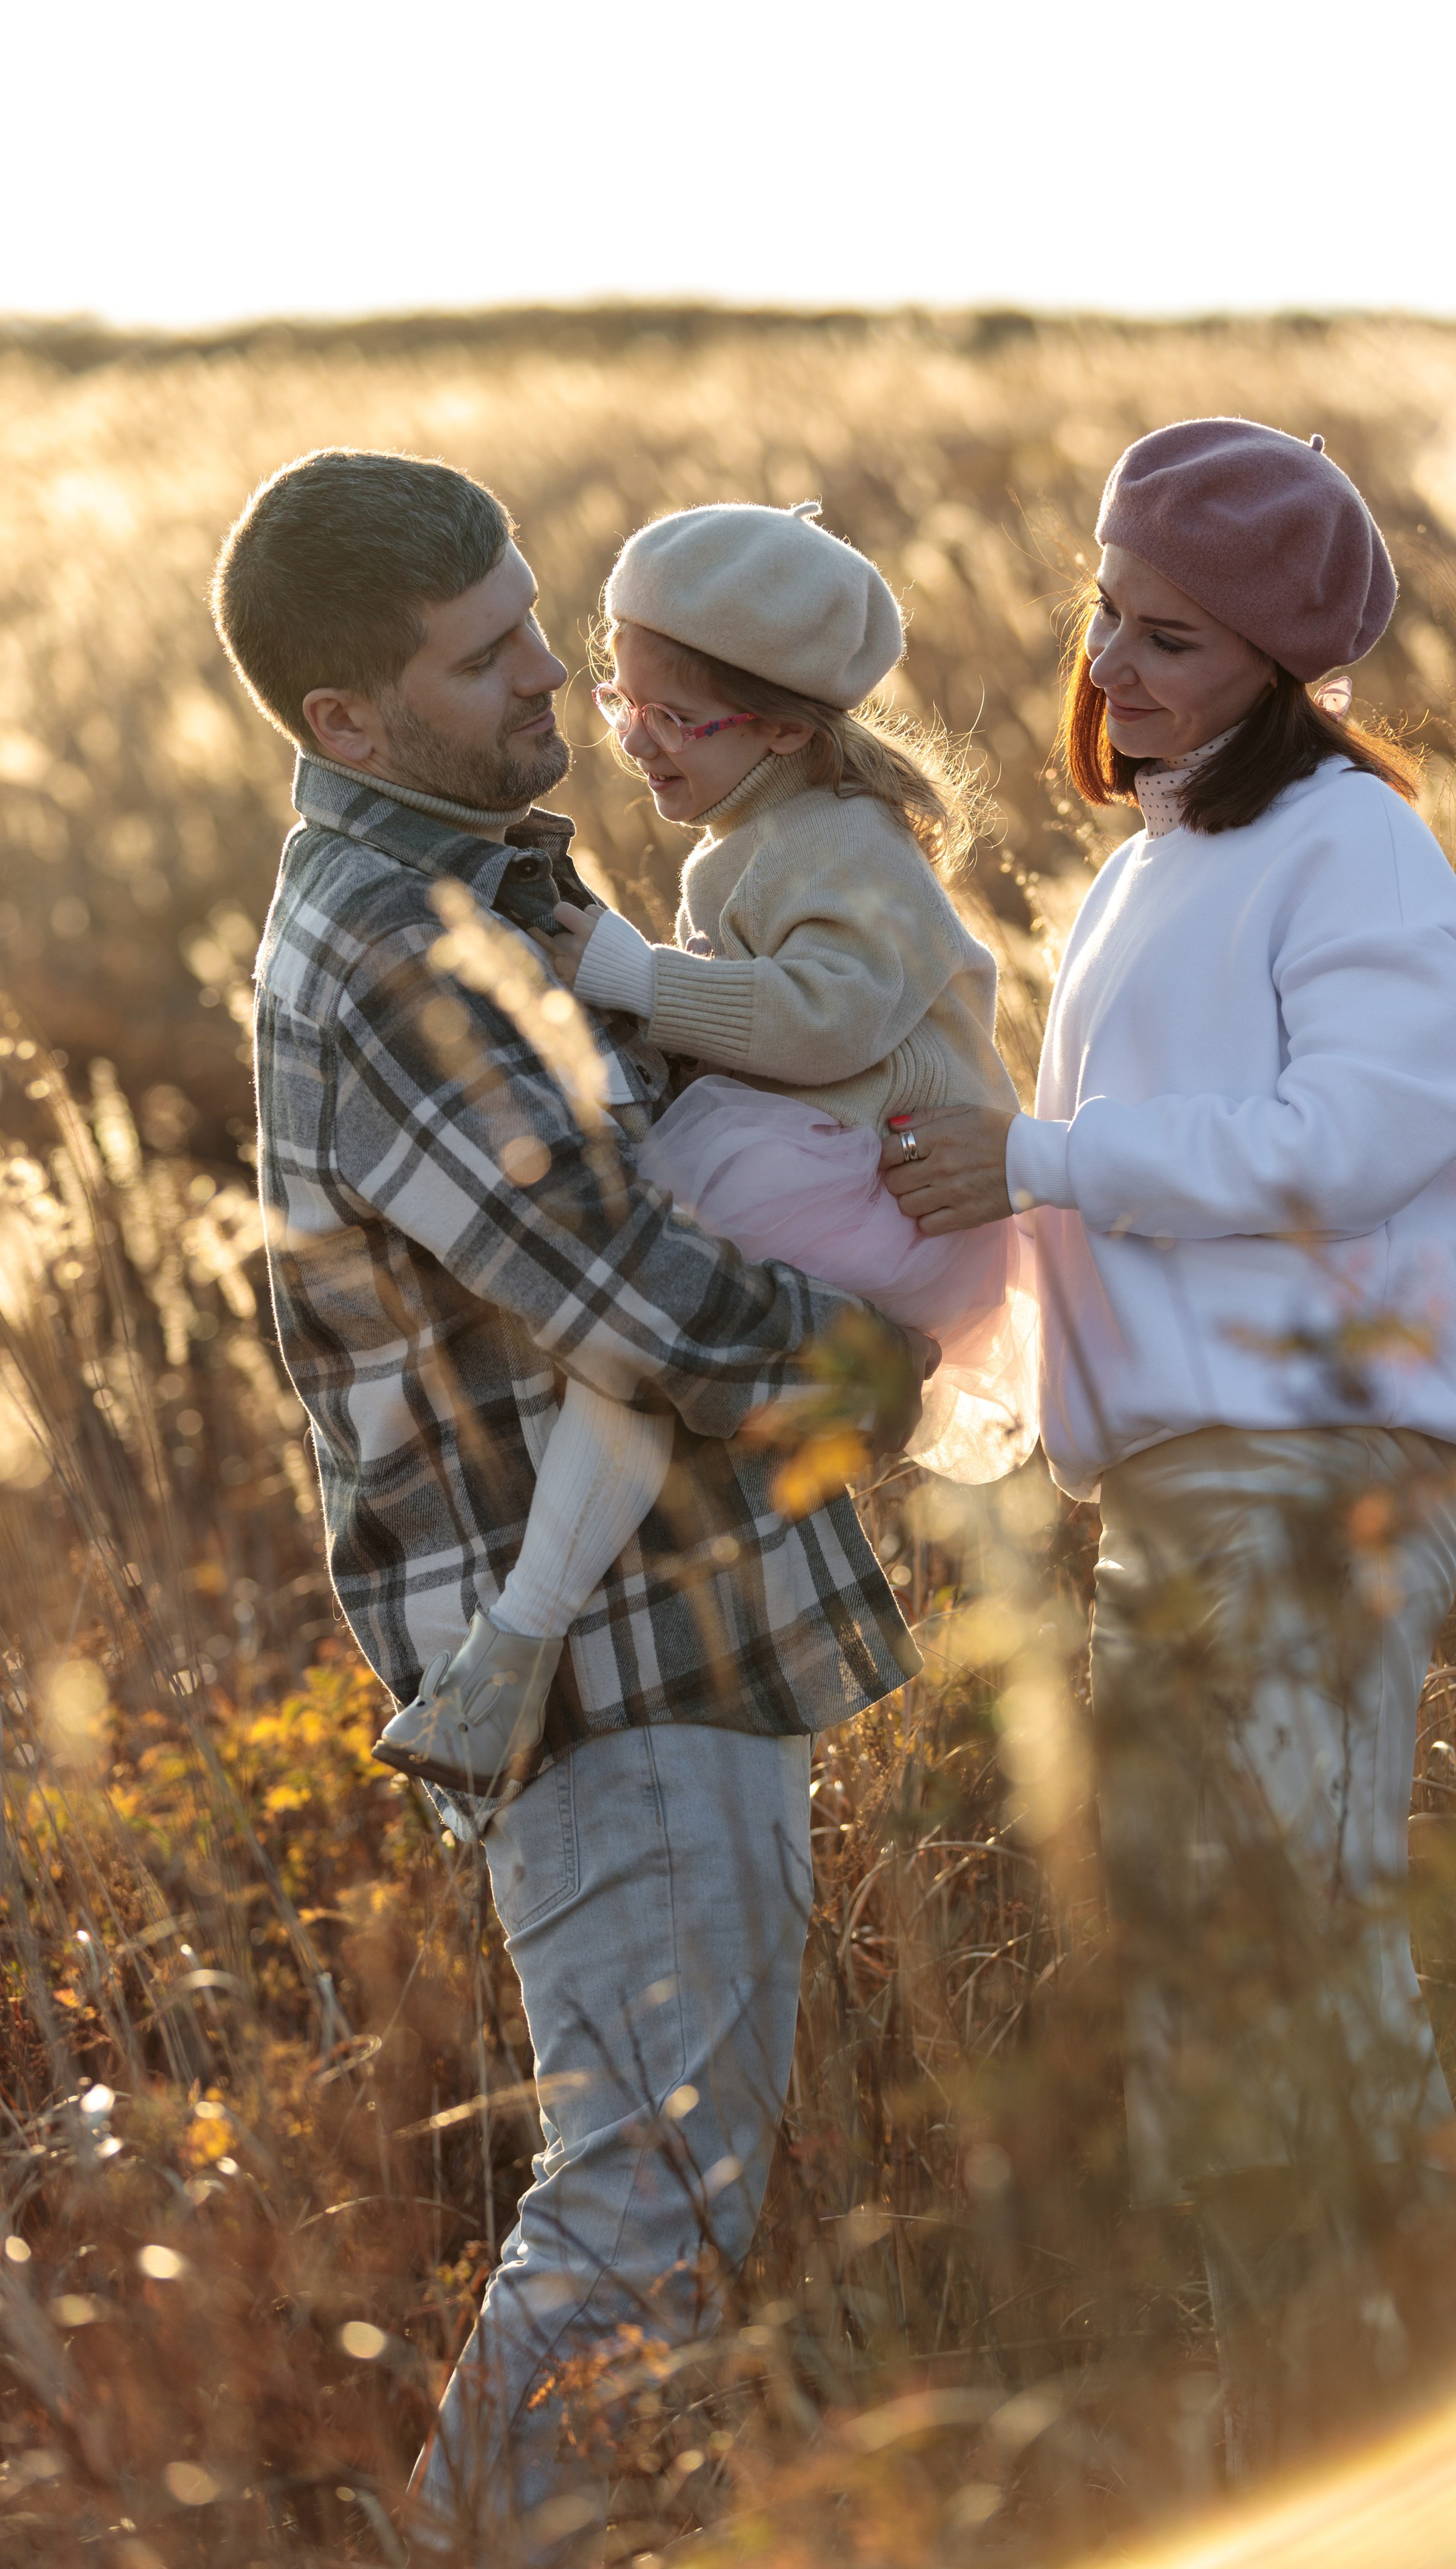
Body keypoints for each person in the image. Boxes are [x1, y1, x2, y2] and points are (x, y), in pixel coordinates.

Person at [211, 447, 930, 2564]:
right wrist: (927, 1342)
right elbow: (642, 1301)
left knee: (666, 2186)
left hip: (657, 1620)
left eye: (534, 618)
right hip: (616, 1665)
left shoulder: (483, 888)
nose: (557, 678)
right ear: (349, 722)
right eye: (488, 655)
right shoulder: (409, 948)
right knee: (645, 2198)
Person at [877, 417, 1456, 2459]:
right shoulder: (1170, 855)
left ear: (1281, 664)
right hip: (1181, 1491)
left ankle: (1426, 2438)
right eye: (1109, 611)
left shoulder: (1348, 845)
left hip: (1305, 1471)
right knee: (1234, 2005)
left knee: (1289, 1980)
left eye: (1174, 634)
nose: (1117, 661)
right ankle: (1324, 2428)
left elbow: (1364, 1135)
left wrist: (1044, 1155)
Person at [383, 498, 1036, 1793]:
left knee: (628, 1316)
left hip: (893, 1185)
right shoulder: (758, 834)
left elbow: (826, 1014)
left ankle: (518, 1645)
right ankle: (518, 1648)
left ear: (790, 729)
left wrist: (637, 977)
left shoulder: (853, 845)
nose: (633, 743)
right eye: (623, 701)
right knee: (630, 1345)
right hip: (832, 1163)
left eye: (674, 722)